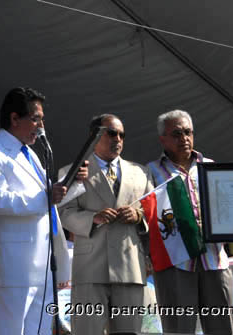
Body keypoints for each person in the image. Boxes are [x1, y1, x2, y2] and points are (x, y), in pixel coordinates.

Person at [145, 109, 233, 334]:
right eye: (176, 134)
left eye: (188, 132)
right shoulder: (150, 172)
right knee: (179, 329)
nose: (184, 138)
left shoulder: (212, 167)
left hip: (214, 260)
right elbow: (144, 216)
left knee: (222, 328)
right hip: (175, 264)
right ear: (162, 139)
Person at [0, 87, 86, 335]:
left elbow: (46, 201)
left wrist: (71, 185)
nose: (41, 125)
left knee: (39, 329)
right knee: (11, 329)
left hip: (43, 262)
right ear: (15, 118)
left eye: (42, 119)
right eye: (35, 118)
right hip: (14, 264)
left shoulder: (31, 153)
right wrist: (44, 196)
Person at [58, 114, 153, 334]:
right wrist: (93, 218)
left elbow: (153, 211)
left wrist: (138, 216)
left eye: (121, 135)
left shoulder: (140, 172)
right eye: (111, 133)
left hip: (130, 268)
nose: (117, 139)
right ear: (94, 136)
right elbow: (63, 212)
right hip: (90, 268)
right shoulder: (71, 172)